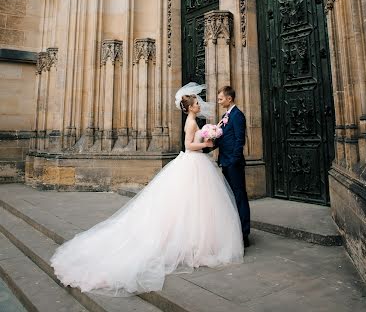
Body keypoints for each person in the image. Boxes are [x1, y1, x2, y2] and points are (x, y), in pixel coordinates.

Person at [50, 85, 243, 297]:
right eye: (197, 103)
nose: (200, 105)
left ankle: (197, 242)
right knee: (190, 203)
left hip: (197, 164)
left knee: (193, 205)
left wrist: (208, 140)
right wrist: (206, 142)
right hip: (193, 161)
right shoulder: (190, 123)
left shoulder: (194, 121)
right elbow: (189, 145)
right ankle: (193, 244)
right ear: (189, 108)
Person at [216, 86, 251, 248]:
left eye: (221, 98)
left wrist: (234, 161)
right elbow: (221, 138)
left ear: (229, 99)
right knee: (230, 198)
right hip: (225, 161)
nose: (219, 101)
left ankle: (244, 234)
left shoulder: (237, 116)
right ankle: (234, 231)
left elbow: (239, 140)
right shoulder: (225, 116)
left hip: (233, 163)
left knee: (240, 197)